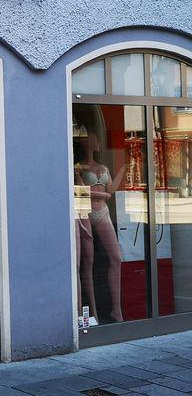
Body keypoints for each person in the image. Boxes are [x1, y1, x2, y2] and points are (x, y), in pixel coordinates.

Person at [75, 130, 126, 324]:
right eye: (95, 139)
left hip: (103, 213)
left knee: (116, 257)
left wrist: (123, 169)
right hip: (86, 213)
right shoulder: (78, 167)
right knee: (87, 262)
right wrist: (104, 195)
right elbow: (81, 193)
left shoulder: (103, 167)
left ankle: (116, 310)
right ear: (86, 142)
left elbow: (111, 188)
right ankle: (92, 312)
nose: (98, 142)